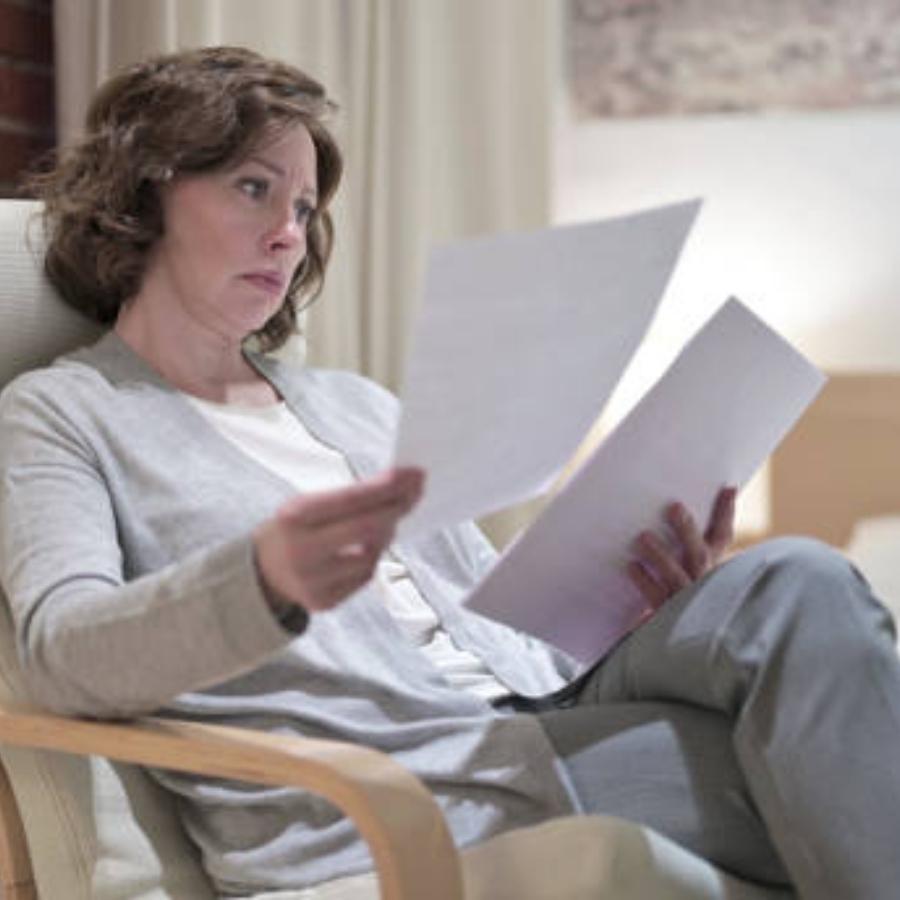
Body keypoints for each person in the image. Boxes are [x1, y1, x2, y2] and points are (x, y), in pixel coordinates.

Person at [0, 45, 898, 900]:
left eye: (305, 209)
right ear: (147, 189)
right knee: (833, 760)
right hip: (390, 784)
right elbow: (59, 655)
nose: (287, 234)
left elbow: (498, 642)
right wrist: (261, 581)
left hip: (529, 715)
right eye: (253, 188)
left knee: (796, 577)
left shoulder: (357, 405)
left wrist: (643, 605)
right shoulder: (65, 414)